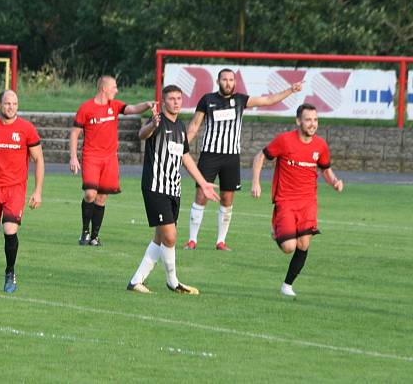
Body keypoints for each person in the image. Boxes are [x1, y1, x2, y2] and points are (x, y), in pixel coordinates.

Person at [185, 68, 303, 251]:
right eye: (224, 79)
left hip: (231, 157)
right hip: (209, 155)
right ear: (218, 82)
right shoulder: (207, 100)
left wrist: (290, 90)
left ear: (235, 82)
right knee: (201, 195)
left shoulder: (240, 100)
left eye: (231, 79)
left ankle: (220, 242)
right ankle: (192, 240)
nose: (228, 83)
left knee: (227, 198)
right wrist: (180, 147)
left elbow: (268, 100)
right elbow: (193, 126)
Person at [128, 85, 220, 295]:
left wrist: (203, 183)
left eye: (179, 98)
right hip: (155, 186)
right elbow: (142, 134)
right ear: (164, 101)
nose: (176, 102)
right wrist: (151, 124)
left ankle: (136, 281)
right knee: (170, 236)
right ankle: (173, 281)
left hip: (173, 189)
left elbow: (185, 157)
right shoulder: (157, 122)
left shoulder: (180, 126)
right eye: (172, 99)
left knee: (160, 237)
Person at [251, 103, 343, 297]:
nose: (313, 124)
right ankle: (276, 228)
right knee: (288, 247)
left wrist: (334, 181)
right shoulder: (284, 141)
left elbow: (325, 169)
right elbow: (260, 156)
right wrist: (256, 182)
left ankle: (287, 285)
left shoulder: (320, 145)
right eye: (308, 120)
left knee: (304, 244)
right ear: (298, 121)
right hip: (286, 200)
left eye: (315, 120)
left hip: (308, 201)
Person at [0, 90, 45, 293]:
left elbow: (38, 159)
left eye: (14, 103)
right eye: (7, 103)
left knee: (10, 230)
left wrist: (37, 191)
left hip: (14, 188)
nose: (11, 107)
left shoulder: (26, 129)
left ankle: (10, 273)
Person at [69, 76, 154, 246]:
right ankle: (85, 232)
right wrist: (73, 156)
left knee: (101, 198)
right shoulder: (86, 108)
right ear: (104, 88)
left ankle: (94, 236)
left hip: (110, 159)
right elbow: (74, 133)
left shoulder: (114, 106)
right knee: (90, 194)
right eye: (114, 87)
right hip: (91, 156)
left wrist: (147, 104)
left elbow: (131, 109)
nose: (117, 90)